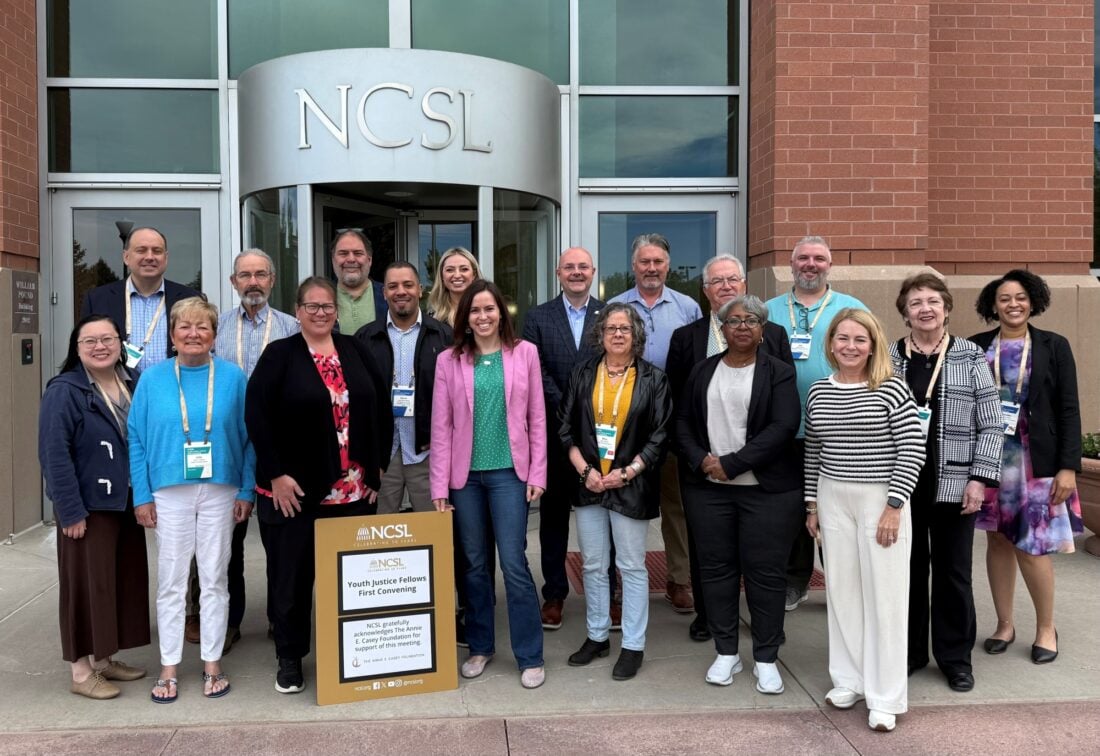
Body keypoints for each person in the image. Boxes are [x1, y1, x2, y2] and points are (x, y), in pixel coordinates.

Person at [246, 277, 391, 694]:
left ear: (337, 311)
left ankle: (350, 655)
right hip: (297, 493)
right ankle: (290, 658)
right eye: (312, 306)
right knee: (291, 581)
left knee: (349, 582)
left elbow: (380, 408)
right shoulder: (279, 355)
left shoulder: (355, 350)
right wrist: (276, 474)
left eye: (328, 306)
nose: (321, 313)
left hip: (352, 493)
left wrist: (376, 470)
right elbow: (257, 416)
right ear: (298, 311)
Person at [804, 308, 925, 733]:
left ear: (873, 346)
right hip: (832, 496)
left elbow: (912, 448)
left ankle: (886, 696)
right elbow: (813, 450)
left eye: (860, 339)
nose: (850, 346)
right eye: (843, 338)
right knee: (842, 591)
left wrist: (894, 505)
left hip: (880, 498)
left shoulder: (891, 389)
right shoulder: (819, 391)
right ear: (831, 344)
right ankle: (850, 680)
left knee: (885, 597)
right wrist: (811, 505)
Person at [128, 297, 255, 703]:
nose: (193, 334)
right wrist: (141, 495)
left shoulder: (233, 377)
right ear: (172, 335)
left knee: (215, 578)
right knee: (172, 579)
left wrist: (247, 489)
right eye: (184, 326)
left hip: (221, 489)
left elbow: (250, 438)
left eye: (202, 327)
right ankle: (169, 666)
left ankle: (212, 662)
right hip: (169, 491)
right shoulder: (152, 379)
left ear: (214, 335)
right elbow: (136, 438)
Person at [675, 296, 802, 693]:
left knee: (766, 575)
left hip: (766, 493)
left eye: (751, 320)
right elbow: (682, 421)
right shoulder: (703, 370)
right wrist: (701, 460)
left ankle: (766, 658)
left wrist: (731, 463)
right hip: (709, 491)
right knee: (716, 571)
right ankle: (726, 652)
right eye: (734, 320)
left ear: (763, 329)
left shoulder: (779, 372)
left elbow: (783, 427)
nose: (742, 326)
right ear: (722, 329)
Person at [181, 249, 299, 655]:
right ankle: (226, 621)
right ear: (233, 282)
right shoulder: (217, 329)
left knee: (279, 543)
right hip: (225, 448)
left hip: (277, 450)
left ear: (272, 280)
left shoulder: (291, 328)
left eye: (260, 274)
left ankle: (280, 619)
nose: (253, 282)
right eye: (244, 275)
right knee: (222, 544)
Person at [887, 273, 1002, 692]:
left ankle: (955, 659)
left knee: (954, 574)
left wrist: (979, 479)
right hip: (902, 485)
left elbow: (991, 424)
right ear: (905, 312)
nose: (925, 309)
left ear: (947, 308)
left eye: (933, 301)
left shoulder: (970, 355)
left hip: (955, 484)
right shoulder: (888, 356)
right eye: (916, 302)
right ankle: (910, 652)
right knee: (908, 571)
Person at [430, 280, 548, 689]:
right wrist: (439, 486)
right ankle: (480, 647)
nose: (482, 317)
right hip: (464, 479)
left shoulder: (525, 353)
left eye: (489, 309)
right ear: (465, 317)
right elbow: (441, 426)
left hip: (509, 475)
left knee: (513, 563)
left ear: (502, 313)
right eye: (475, 310)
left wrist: (538, 473)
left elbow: (537, 418)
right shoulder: (449, 361)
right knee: (474, 564)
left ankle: (530, 655)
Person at [971, 270, 1082, 665]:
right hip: (989, 458)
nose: (1013, 304)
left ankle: (1046, 628)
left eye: (1020, 297)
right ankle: (1004, 624)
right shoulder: (976, 346)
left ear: (1033, 301)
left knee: (1033, 545)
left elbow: (1069, 408)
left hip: (1037, 462)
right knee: (998, 541)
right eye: (1004, 298)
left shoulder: (1054, 345)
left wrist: (1068, 467)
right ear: (993, 305)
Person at [559, 303, 672, 681]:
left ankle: (633, 645)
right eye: (611, 328)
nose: (618, 334)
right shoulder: (582, 373)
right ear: (601, 334)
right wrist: (585, 471)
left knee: (631, 566)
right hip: (590, 483)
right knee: (593, 563)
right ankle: (597, 636)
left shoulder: (654, 379)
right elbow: (565, 428)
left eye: (625, 328)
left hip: (631, 485)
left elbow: (660, 435)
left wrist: (628, 472)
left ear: (636, 334)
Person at [39, 315, 150, 700]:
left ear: (120, 343)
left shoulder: (131, 382)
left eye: (108, 339)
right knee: (85, 586)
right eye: (90, 341)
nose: (100, 346)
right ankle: (81, 671)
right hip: (87, 506)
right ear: (77, 348)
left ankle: (104, 659)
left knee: (117, 582)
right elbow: (54, 454)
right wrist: (69, 510)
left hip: (125, 500)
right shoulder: (65, 391)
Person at [765, 235, 867, 613]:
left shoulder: (851, 308)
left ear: (830, 265)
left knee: (836, 507)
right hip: (784, 428)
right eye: (803, 258)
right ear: (792, 265)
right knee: (793, 509)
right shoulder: (769, 310)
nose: (811, 264)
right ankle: (796, 581)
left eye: (819, 258)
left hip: (839, 428)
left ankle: (842, 583)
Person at [609, 232, 702, 612]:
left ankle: (679, 579)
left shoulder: (688, 307)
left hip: (671, 425)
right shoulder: (615, 306)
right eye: (644, 262)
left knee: (676, 505)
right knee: (619, 504)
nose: (651, 268)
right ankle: (617, 581)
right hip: (624, 427)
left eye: (658, 262)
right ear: (633, 266)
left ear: (668, 266)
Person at [521, 246, 606, 630]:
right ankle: (554, 594)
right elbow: (534, 370)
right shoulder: (538, 317)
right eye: (569, 267)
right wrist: (570, 405)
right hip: (555, 436)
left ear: (593, 272)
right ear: (558, 273)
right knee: (553, 520)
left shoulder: (610, 315)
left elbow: (617, 364)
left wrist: (586, 410)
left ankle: (608, 592)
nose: (576, 272)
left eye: (582, 267)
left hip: (600, 435)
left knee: (601, 518)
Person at [356, 261, 453, 513]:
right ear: (384, 293)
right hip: (382, 456)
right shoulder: (364, 338)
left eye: (408, 285)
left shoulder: (444, 336)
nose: (401, 291)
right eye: (393, 286)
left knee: (432, 528)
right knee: (380, 529)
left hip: (427, 452)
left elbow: (457, 397)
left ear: (420, 289)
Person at [80, 226, 200, 374]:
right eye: (141, 250)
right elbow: (84, 349)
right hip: (115, 386)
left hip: (175, 385)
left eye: (157, 251)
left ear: (166, 258)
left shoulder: (191, 299)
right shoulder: (97, 299)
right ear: (126, 257)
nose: (149, 257)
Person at [332, 229, 386, 333]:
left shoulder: (388, 296)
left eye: (358, 253)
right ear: (333, 260)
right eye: (343, 253)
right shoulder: (320, 298)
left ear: (369, 260)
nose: (351, 259)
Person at [427, 246, 482, 327]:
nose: (457, 275)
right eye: (450, 270)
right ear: (442, 276)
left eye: (464, 269)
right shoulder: (433, 317)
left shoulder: (487, 312)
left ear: (474, 274)